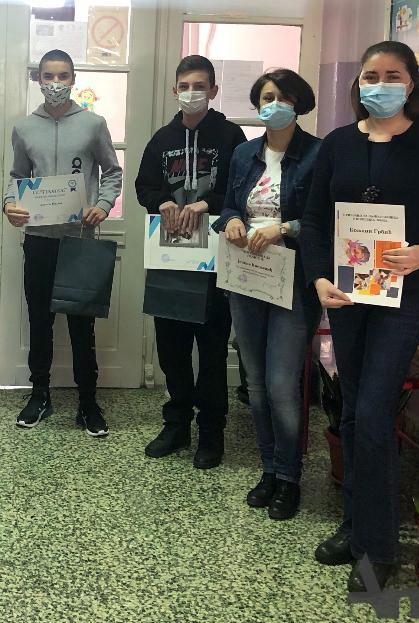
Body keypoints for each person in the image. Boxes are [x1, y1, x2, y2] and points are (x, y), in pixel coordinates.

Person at [299, 41, 419, 592]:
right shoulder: (337, 144)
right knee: (354, 415)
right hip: (348, 295)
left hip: (405, 296)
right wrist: (320, 278)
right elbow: (314, 221)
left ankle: (378, 550)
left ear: (412, 83)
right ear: (358, 83)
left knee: (375, 413)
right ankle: (356, 526)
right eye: (371, 75)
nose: (380, 84)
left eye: (392, 75)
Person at [216, 69, 321, 519]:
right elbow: (227, 204)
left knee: (281, 385)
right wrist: (230, 221)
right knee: (256, 384)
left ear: (298, 103)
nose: (272, 104)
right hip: (247, 278)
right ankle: (269, 470)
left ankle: (290, 477)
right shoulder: (244, 153)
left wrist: (286, 227)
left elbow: (325, 218)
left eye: (281, 97)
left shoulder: (318, 154)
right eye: (265, 97)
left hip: (294, 281)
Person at [2, 49, 122, 437]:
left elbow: (112, 172)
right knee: (40, 322)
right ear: (39, 80)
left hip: (79, 240)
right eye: (49, 76)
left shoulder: (93, 124)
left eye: (63, 76)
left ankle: (88, 402)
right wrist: (9, 204)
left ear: (73, 79)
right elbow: (17, 177)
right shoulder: (24, 127)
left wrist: (102, 205)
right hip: (39, 241)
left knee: (81, 325)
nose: (56, 83)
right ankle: (40, 395)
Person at [134, 55, 246, 469]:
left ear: (213, 90)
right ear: (174, 91)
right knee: (171, 347)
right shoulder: (162, 139)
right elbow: (143, 185)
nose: (192, 93)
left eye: (200, 86)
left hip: (216, 258)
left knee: (212, 349)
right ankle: (177, 422)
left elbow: (240, 189)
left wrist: (207, 204)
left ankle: (212, 430)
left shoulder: (231, 136)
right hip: (170, 256)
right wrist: (162, 201)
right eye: (185, 86)